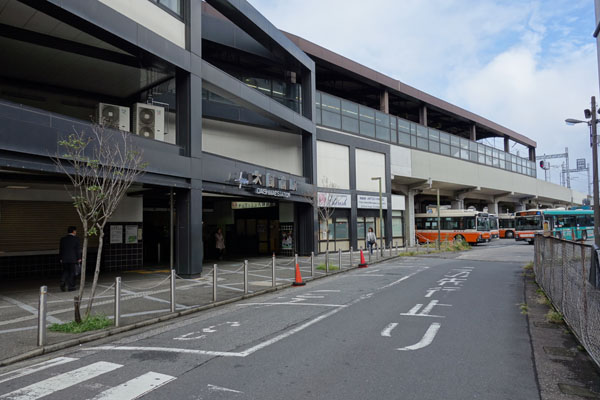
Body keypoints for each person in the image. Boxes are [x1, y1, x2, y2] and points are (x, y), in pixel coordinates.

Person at [59, 226, 81, 292]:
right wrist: (79, 258)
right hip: (73, 259)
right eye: (75, 231)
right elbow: (78, 250)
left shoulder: (63, 239)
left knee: (65, 271)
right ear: (74, 231)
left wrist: (61, 258)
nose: (76, 232)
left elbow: (61, 249)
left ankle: (62, 281)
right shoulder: (76, 239)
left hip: (64, 259)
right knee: (72, 272)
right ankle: (71, 287)